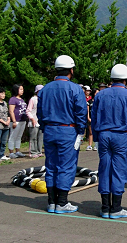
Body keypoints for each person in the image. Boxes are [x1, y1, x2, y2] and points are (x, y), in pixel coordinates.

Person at [38, 55, 87, 214]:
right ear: (71, 70)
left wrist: (45, 127)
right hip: (67, 130)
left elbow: (40, 113)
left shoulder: (45, 88)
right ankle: (62, 203)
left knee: (51, 166)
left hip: (50, 130)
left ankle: (51, 202)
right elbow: (81, 112)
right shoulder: (75, 89)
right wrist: (81, 132)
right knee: (66, 166)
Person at [92, 64, 127, 219]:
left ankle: (105, 207)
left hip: (104, 135)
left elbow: (94, 118)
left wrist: (96, 138)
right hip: (121, 136)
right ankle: (116, 208)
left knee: (104, 169)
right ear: (126, 79)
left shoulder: (100, 95)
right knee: (119, 170)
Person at [8, 84, 27, 159]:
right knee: (13, 136)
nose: (22, 91)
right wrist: (14, 121)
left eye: (22, 89)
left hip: (23, 120)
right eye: (20, 89)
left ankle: (17, 150)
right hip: (16, 120)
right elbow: (11, 111)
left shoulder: (21, 99)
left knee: (19, 136)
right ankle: (11, 152)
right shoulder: (13, 99)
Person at [27, 85, 44, 158]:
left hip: (41, 121)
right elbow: (28, 111)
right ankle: (33, 152)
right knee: (33, 137)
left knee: (40, 137)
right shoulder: (33, 99)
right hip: (33, 121)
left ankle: (39, 151)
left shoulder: (44, 99)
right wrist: (32, 119)